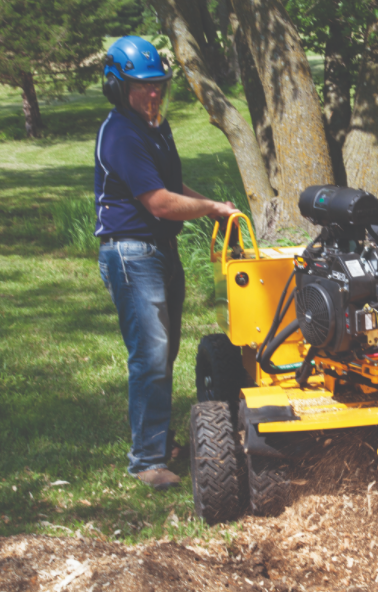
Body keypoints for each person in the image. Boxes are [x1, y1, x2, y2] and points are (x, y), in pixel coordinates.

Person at [94, 36, 240, 490]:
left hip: (160, 250)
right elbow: (159, 202)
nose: (153, 93)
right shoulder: (121, 132)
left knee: (165, 351)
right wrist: (212, 209)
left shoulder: (156, 127)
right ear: (118, 88)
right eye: (143, 86)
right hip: (132, 252)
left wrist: (215, 204)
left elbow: (173, 186)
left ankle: (157, 439)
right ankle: (146, 461)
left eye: (158, 84)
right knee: (151, 356)